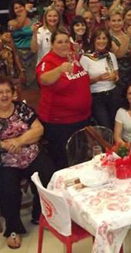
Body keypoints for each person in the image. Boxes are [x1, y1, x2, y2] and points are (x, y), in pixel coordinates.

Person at [0, 76, 54, 249]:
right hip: (1, 162)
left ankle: (40, 214)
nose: (5, 95)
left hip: (29, 154)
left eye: (8, 91)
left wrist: (19, 141)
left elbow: (39, 129)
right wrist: (2, 145)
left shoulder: (22, 109)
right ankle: (13, 228)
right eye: (0, 92)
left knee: (48, 174)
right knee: (9, 190)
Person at [36, 30, 92, 169]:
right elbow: (43, 79)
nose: (64, 45)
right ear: (52, 44)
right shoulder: (48, 61)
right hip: (60, 123)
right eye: (59, 42)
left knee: (81, 157)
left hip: (82, 118)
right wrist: (59, 69)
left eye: (66, 41)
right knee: (63, 161)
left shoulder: (72, 56)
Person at [80, 30, 120, 130]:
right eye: (98, 38)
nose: (101, 41)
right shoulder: (85, 58)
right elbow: (82, 82)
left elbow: (117, 76)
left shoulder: (111, 56)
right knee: (105, 126)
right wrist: (98, 78)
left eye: (104, 38)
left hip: (113, 94)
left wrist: (114, 77)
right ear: (93, 40)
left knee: (115, 124)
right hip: (97, 97)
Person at [8, 0, 36, 87]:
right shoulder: (11, 23)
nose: (19, 9)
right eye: (16, 8)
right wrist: (25, 12)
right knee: (21, 83)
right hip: (18, 54)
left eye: (21, 7)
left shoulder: (33, 20)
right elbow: (19, 25)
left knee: (35, 82)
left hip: (33, 53)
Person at [109, 11, 131, 88]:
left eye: (119, 20)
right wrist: (128, 36)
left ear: (123, 21)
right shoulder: (108, 38)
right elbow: (119, 54)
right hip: (119, 76)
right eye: (113, 21)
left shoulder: (128, 34)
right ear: (109, 23)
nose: (116, 23)